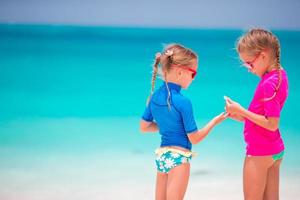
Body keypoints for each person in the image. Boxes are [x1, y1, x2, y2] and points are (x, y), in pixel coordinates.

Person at [140, 43, 227, 200]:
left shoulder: (154, 97)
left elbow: (144, 127)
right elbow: (195, 138)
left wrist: (167, 126)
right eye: (193, 74)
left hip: (162, 157)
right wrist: (214, 122)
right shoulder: (183, 102)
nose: (194, 79)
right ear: (180, 72)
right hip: (179, 158)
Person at [225, 28, 289, 200]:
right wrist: (241, 116)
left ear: (263, 55)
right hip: (275, 149)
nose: (248, 68)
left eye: (249, 63)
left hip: (261, 151)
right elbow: (264, 117)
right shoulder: (279, 76)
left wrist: (241, 110)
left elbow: (272, 122)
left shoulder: (269, 83)